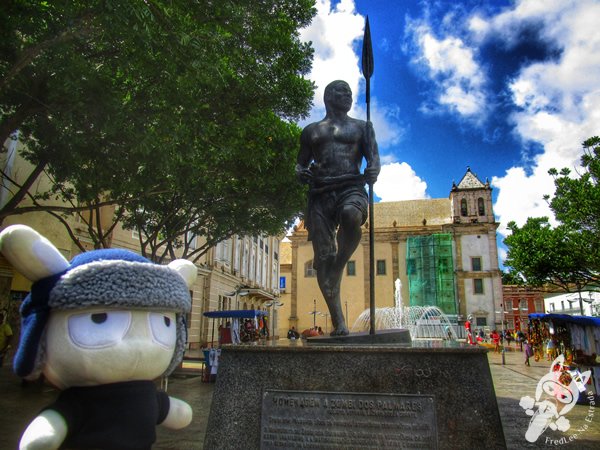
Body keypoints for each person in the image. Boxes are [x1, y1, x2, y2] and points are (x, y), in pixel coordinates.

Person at [296, 80, 380, 336]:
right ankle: (339, 323)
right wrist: (301, 173)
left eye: (350, 93)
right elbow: (300, 164)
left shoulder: (362, 127)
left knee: (351, 215)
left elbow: (373, 156)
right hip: (320, 192)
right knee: (322, 258)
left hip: (351, 187)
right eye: (342, 92)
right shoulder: (312, 131)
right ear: (328, 96)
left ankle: (341, 261)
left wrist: (374, 169)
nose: (348, 96)